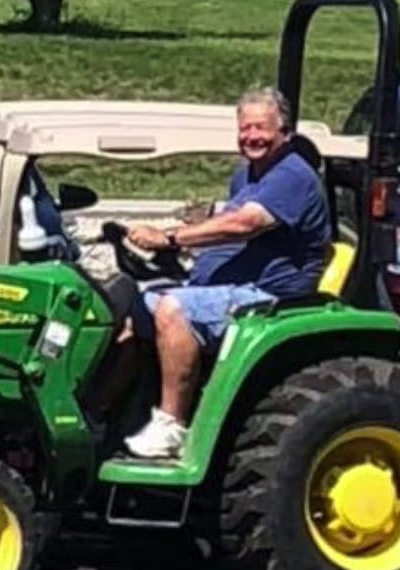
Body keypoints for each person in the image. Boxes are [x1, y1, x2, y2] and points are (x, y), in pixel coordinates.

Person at [121, 87, 332, 458]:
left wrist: (169, 238)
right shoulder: (247, 175)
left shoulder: (293, 176)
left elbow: (243, 224)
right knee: (130, 305)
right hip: (233, 288)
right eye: (245, 128)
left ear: (284, 132)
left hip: (267, 298)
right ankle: (109, 414)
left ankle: (172, 426)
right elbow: (222, 225)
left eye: (261, 128)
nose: (251, 136)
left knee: (174, 309)